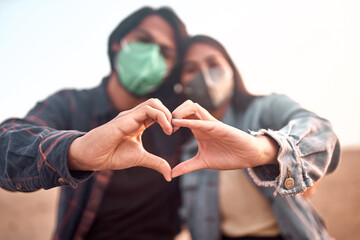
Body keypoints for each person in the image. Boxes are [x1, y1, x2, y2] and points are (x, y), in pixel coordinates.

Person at [0, 7, 188, 239]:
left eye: (165, 52)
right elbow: (5, 147)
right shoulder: (72, 104)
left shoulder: (180, 122)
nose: (152, 55)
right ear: (118, 43)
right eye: (143, 40)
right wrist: (77, 151)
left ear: (171, 69)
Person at [171, 35, 340, 240]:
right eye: (191, 69)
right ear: (180, 82)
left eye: (213, 63)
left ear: (231, 70)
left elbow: (321, 131)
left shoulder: (266, 108)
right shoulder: (185, 145)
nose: (204, 74)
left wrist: (263, 149)